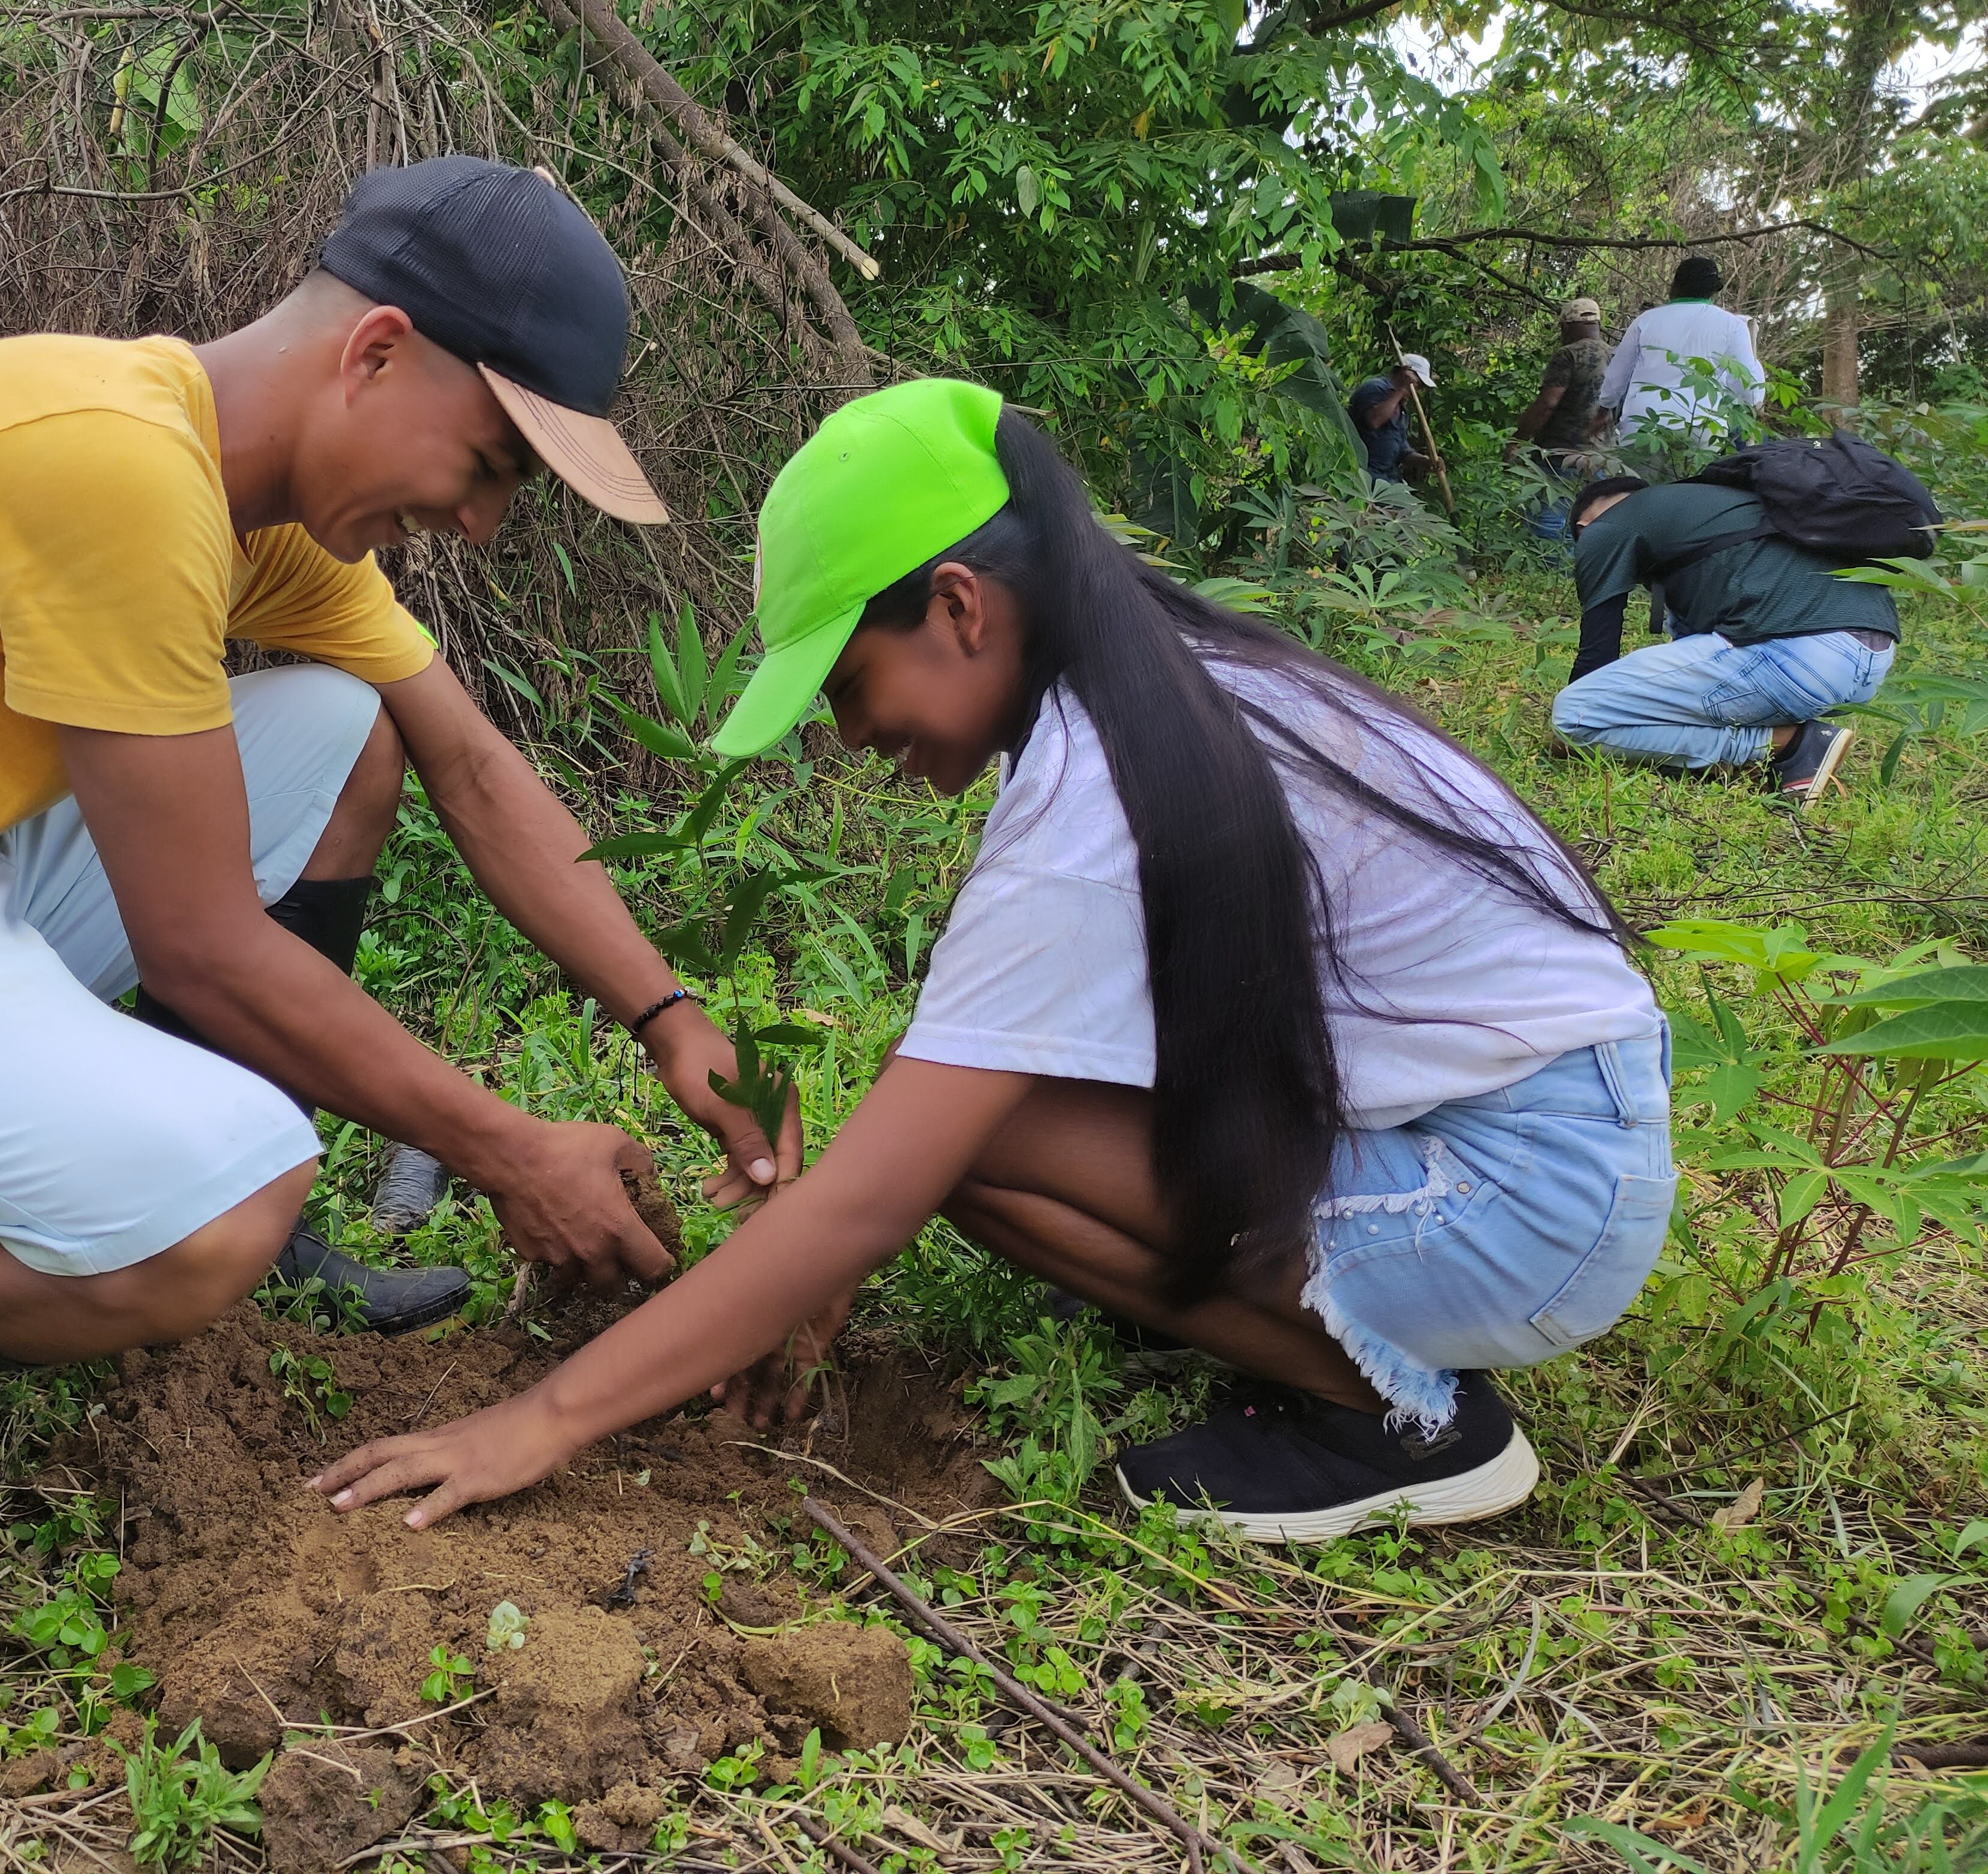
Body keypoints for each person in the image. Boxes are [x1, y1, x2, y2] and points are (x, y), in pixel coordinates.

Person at [0, 156, 800, 1529]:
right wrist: (511, 1151)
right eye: (486, 465)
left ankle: (230, 1209)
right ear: (373, 354)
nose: (477, 522)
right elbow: (202, 945)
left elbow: (468, 765)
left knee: (345, 728)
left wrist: (671, 1021)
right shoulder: (107, 463)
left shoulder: (240, 504)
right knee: (213, 1208)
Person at [312, 381, 1674, 1545]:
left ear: (958, 607)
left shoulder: (1091, 791)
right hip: (1530, 1134)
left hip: (1522, 1191)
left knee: (954, 1146)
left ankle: (1407, 1423)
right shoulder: (1157, 690)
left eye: (847, 688)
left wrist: (537, 1423)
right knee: (965, 1131)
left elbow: (867, 1197)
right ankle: (1304, 1315)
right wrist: (837, 1220)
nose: (846, 739)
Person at [1550, 474, 1896, 804]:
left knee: (1573, 717)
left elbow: (1598, 652)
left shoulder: (1605, 528)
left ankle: (1788, 743)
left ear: (1585, 526)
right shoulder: (1705, 513)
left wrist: (1584, 724)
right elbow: (1694, 653)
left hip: (1797, 654)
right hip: (1869, 663)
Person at [1598, 257, 1763, 444]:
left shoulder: (1646, 321)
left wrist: (1604, 410)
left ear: (1675, 286)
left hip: (1643, 425)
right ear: (1713, 291)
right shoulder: (1733, 325)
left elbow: (1616, 377)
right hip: (1703, 428)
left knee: (1638, 474)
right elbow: (1747, 389)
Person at [1511, 298, 1613, 539]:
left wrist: (1518, 440)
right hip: (1603, 456)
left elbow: (1548, 402)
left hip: (1562, 453)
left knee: (1551, 518)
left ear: (1567, 326)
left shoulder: (1569, 355)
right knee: (1588, 520)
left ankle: (1549, 572)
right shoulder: (1617, 355)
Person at [1347, 353, 1439, 483]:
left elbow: (1402, 450)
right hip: (1365, 474)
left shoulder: (1401, 409)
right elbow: (1373, 421)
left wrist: (1427, 462)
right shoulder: (1375, 388)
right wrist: (1402, 391)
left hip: (1389, 477)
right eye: (1418, 385)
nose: (1418, 391)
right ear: (1406, 374)